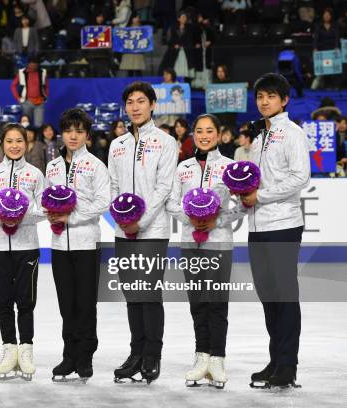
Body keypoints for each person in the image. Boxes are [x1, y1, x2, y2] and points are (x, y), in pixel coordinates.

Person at [166, 113, 246, 388]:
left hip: (219, 243)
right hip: (190, 243)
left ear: (219, 133)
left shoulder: (229, 167)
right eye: (199, 131)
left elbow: (243, 205)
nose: (204, 135)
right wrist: (191, 218)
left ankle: (218, 359)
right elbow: (171, 203)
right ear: (193, 134)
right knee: (198, 302)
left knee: (217, 303)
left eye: (209, 130)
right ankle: (201, 356)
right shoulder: (183, 168)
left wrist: (217, 219)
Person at [243, 73, 310, 389]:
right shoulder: (258, 136)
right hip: (257, 225)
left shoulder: (293, 134)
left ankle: (288, 366)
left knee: (284, 297)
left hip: (283, 224)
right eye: (260, 97)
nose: (264, 101)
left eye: (271, 96)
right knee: (268, 296)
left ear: (284, 100)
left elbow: (300, 178)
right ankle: (276, 359)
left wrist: (261, 196)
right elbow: (253, 179)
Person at [109, 81, 177, 383]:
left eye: (141, 101)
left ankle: (152, 355)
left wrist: (141, 220)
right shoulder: (117, 144)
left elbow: (164, 187)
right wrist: (121, 220)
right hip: (124, 232)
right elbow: (112, 186)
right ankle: (136, 353)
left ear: (152, 105)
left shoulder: (165, 141)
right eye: (130, 102)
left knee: (149, 294)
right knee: (132, 295)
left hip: (152, 231)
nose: (134, 107)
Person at [46, 108, 110, 382]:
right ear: (62, 132)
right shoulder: (52, 166)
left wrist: (71, 216)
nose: (73, 136)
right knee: (66, 304)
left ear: (87, 136)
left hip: (86, 243)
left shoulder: (96, 165)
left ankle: (85, 356)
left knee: (85, 304)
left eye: (79, 131)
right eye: (69, 130)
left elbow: (102, 203)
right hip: (59, 244)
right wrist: (51, 213)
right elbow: (46, 199)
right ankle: (68, 355)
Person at [0, 123, 45, 380]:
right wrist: (2, 217)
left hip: (27, 246)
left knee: (26, 301)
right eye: (9, 141)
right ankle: (9, 349)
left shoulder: (35, 174)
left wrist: (20, 217)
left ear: (26, 144)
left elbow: (44, 209)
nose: (15, 145)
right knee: (3, 301)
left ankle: (26, 350)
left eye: (19, 141)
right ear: (1, 144)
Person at [10, 56, 49, 128]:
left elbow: (46, 86)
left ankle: (38, 139)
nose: (33, 67)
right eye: (31, 65)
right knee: (26, 124)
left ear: (38, 65)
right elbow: (13, 86)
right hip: (26, 102)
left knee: (39, 125)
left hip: (39, 101)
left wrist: (45, 96)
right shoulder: (21, 73)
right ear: (28, 64)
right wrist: (17, 98)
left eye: (35, 65)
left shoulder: (43, 72)